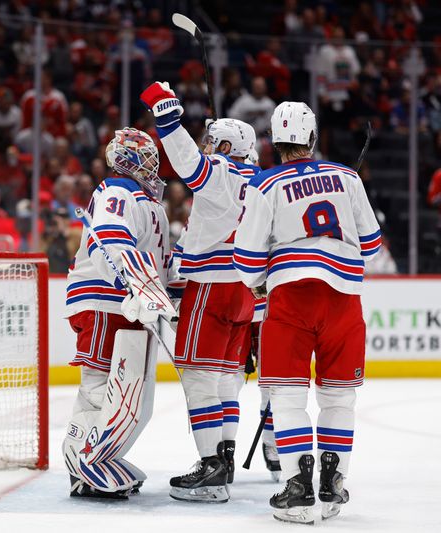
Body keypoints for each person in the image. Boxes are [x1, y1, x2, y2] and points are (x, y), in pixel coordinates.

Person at [233, 102, 381, 524]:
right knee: (338, 397)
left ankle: (298, 488)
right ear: (312, 138)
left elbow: (246, 261)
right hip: (343, 300)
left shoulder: (265, 184)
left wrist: (260, 278)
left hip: (291, 300)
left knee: (287, 395)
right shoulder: (348, 176)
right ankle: (333, 487)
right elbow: (371, 245)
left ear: (274, 142)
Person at [140, 81, 260, 503]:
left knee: (196, 377)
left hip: (212, 288)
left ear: (226, 146)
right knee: (227, 379)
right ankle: (223, 461)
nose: (207, 146)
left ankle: (211, 466)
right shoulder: (260, 181)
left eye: (213, 141)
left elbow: (188, 161)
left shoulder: (221, 174)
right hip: (244, 293)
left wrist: (166, 112)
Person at [63, 127, 177, 500]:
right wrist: (131, 282)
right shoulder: (118, 190)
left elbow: (162, 266)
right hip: (103, 301)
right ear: (126, 158)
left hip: (128, 305)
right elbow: (111, 240)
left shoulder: (149, 203)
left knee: (131, 395)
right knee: (98, 388)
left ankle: (100, 456)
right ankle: (81, 459)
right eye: (146, 157)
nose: (153, 165)